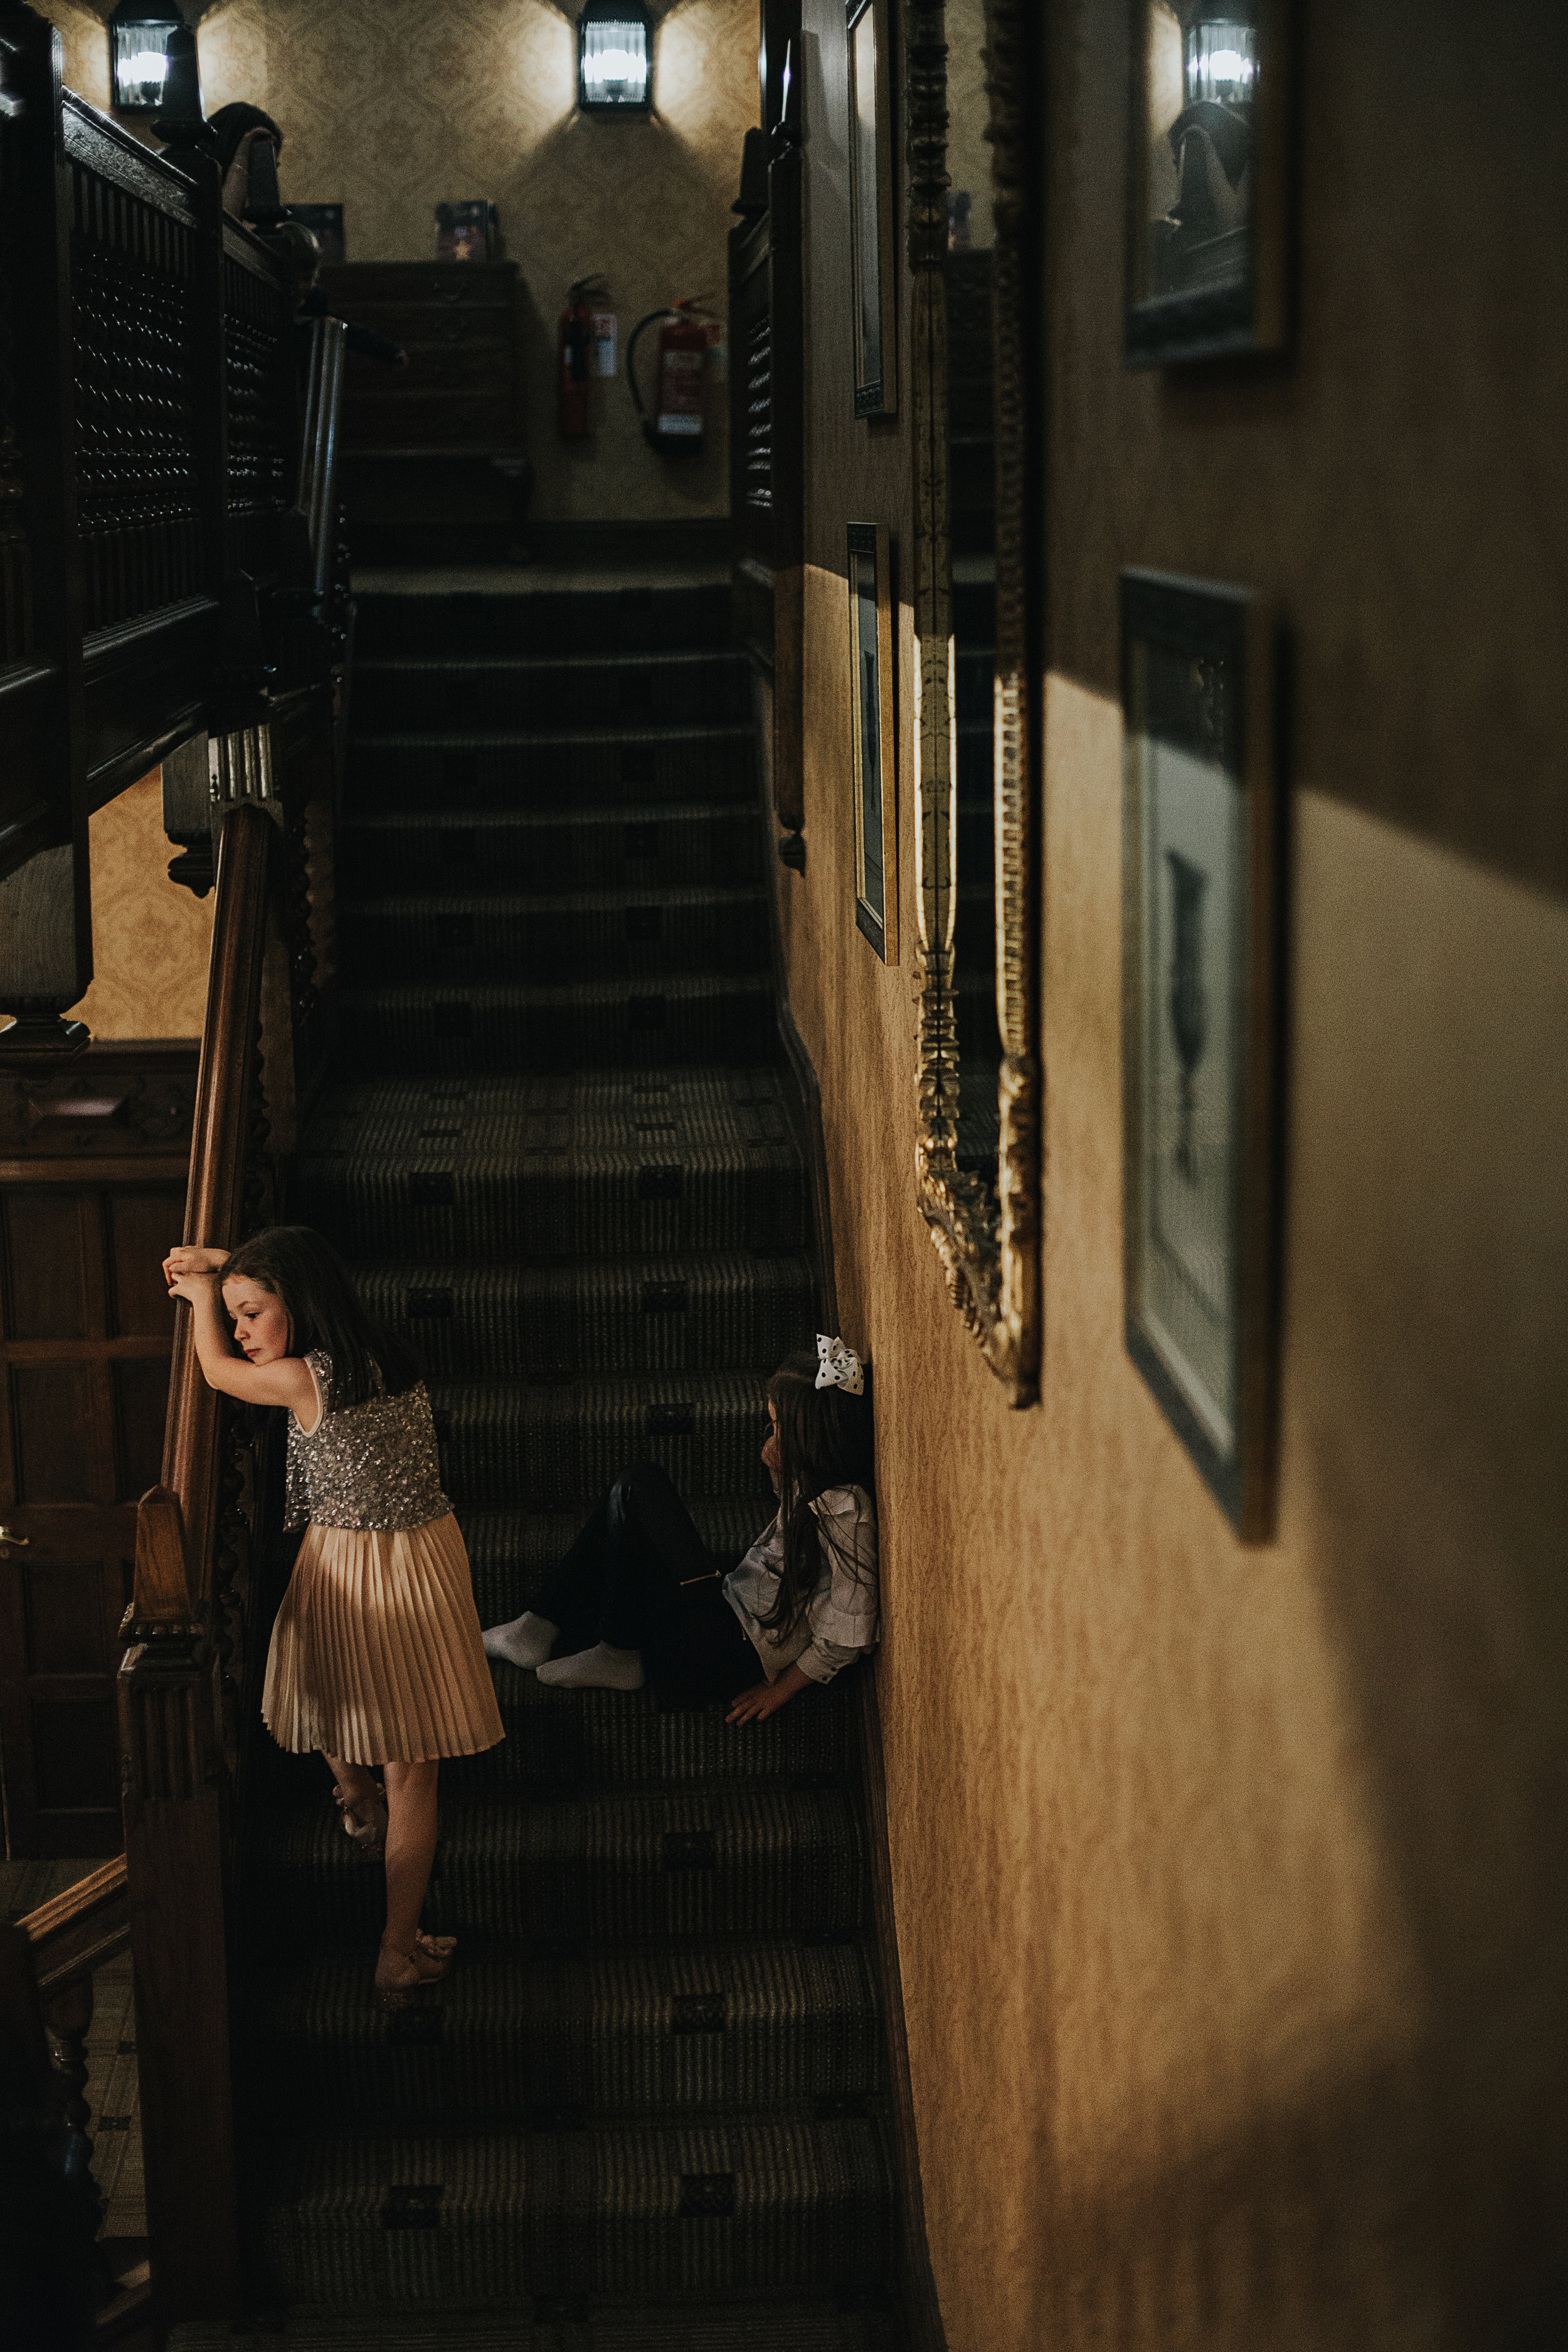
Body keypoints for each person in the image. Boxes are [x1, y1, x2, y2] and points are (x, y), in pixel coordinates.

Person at [161, 1226, 504, 2010]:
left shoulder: (302, 1380)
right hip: (425, 1555)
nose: (242, 1330)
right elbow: (297, 1270)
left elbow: (214, 1373)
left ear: (298, 1307)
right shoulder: (385, 1351)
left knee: (371, 1734)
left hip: (357, 1562)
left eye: (252, 1313)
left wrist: (201, 1296)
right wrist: (226, 1269)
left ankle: (393, 1947)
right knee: (337, 1699)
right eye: (237, 1314)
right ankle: (359, 1806)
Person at [483, 1337, 879, 1721]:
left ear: (809, 1438)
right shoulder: (815, 1482)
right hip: (732, 1610)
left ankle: (610, 1650)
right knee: (633, 1510)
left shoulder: (846, 1511)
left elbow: (849, 1632)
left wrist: (781, 1689)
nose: (769, 1435)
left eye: (776, 1427)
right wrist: (780, 1464)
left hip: (723, 1654)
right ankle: (540, 1626)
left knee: (642, 1487)